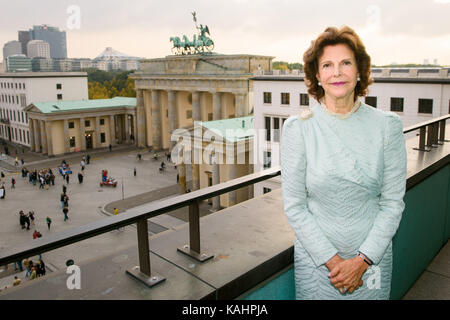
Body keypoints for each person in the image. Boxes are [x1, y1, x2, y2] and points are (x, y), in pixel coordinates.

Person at [280, 26, 406, 300]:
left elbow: (392, 203)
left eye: (345, 63)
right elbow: (295, 206)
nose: (336, 72)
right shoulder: (297, 129)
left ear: (359, 69)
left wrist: (361, 262)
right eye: (327, 65)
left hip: (372, 263)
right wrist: (336, 264)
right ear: (317, 74)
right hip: (318, 267)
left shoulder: (387, 126)